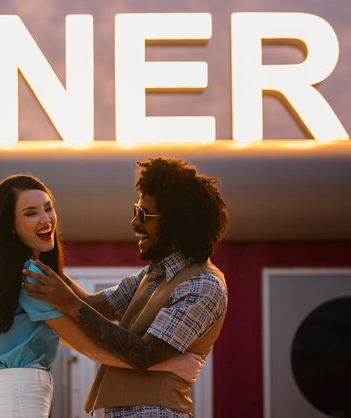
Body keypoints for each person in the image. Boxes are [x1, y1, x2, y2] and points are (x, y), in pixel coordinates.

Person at [0, 174, 204, 418]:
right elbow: (91, 348)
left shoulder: (10, 270)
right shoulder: (31, 275)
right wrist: (167, 364)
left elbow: (80, 315)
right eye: (30, 213)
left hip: (3, 398)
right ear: (9, 225)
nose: (46, 219)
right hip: (19, 401)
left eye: (48, 208)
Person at [23, 157, 229, 417]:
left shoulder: (203, 284)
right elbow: (93, 307)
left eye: (143, 215)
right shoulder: (154, 274)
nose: (134, 223)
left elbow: (143, 355)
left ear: (177, 222)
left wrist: (69, 303)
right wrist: (37, 255)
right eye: (135, 211)